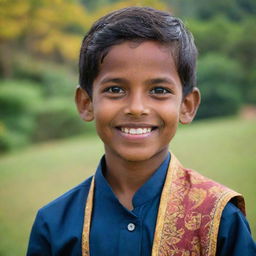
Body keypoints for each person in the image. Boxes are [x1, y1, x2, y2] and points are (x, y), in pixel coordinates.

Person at [27, 6, 256, 256]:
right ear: (86, 103)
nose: (136, 108)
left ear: (187, 106)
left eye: (159, 90)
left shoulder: (219, 218)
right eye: (115, 89)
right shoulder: (54, 224)